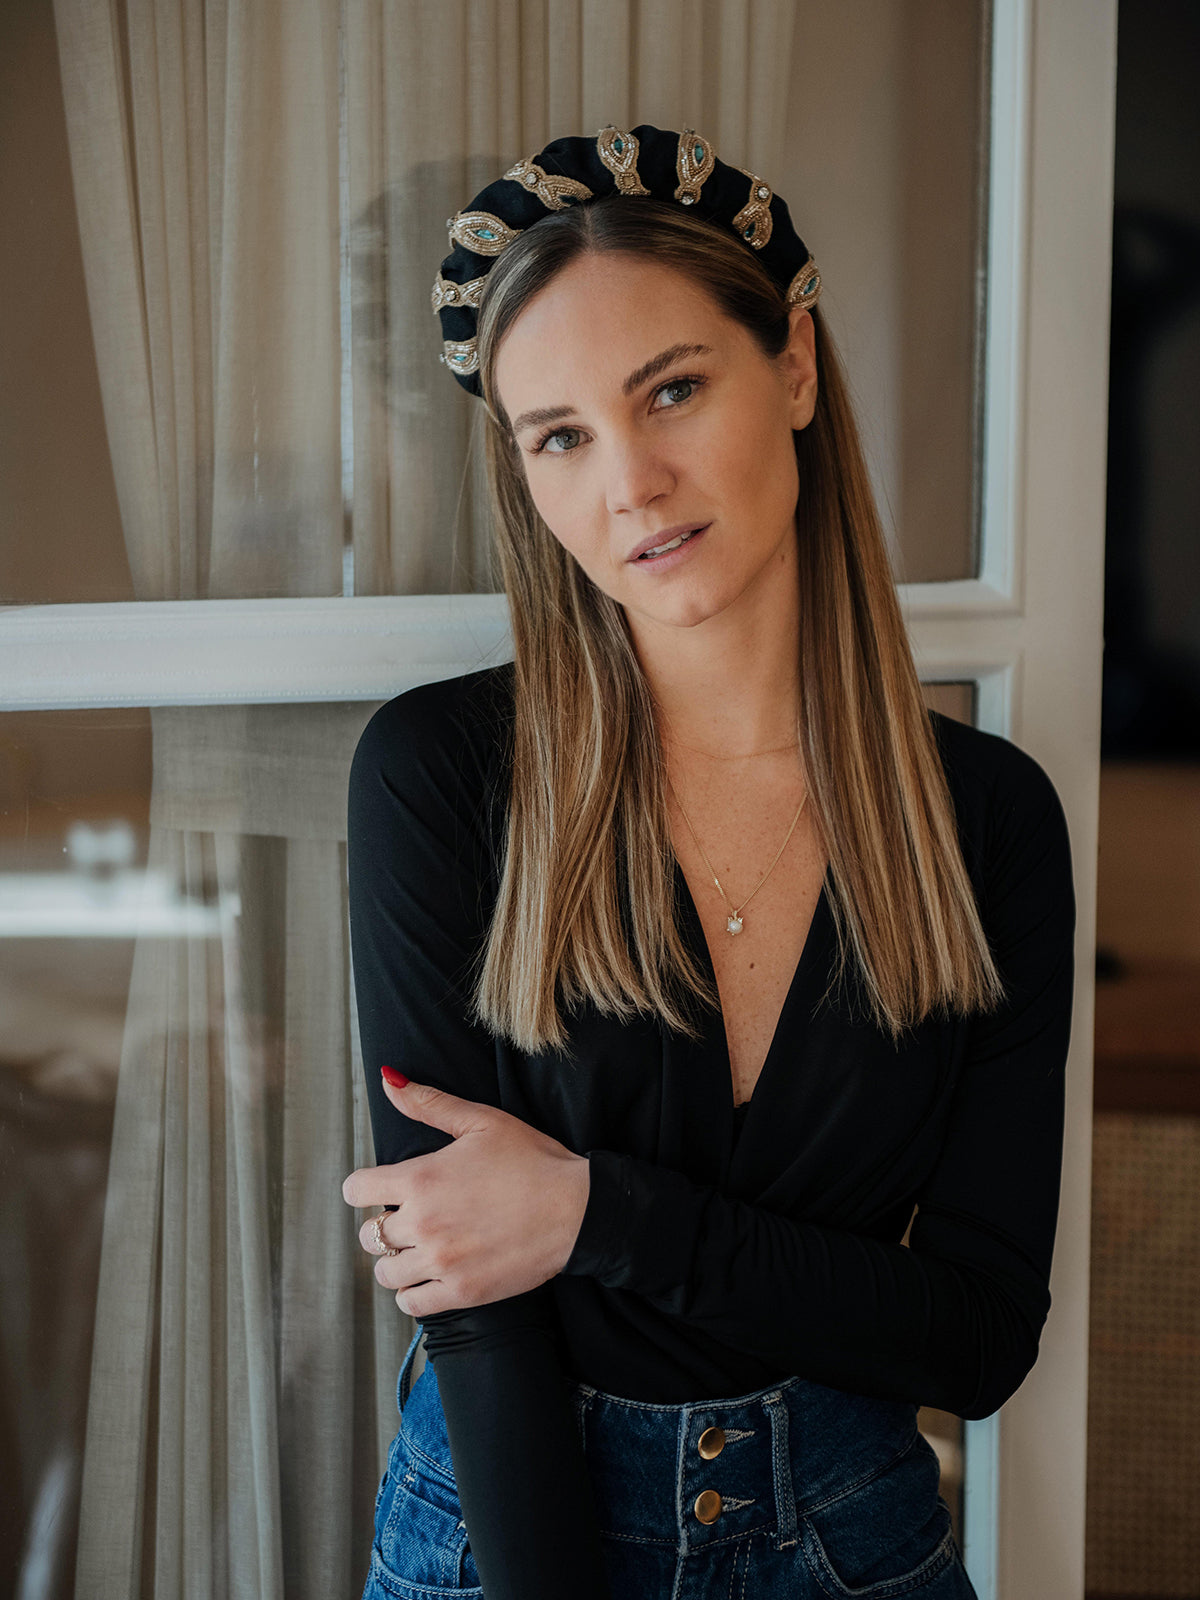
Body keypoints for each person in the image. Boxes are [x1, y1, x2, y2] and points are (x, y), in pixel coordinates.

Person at [342, 123, 1075, 1600]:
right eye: (560, 436)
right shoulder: (442, 777)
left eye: (671, 390)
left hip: (852, 1538)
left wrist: (590, 1215)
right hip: (506, 1529)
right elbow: (468, 1297)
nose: (631, 482)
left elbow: (979, 1339)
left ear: (793, 368)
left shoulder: (983, 821)